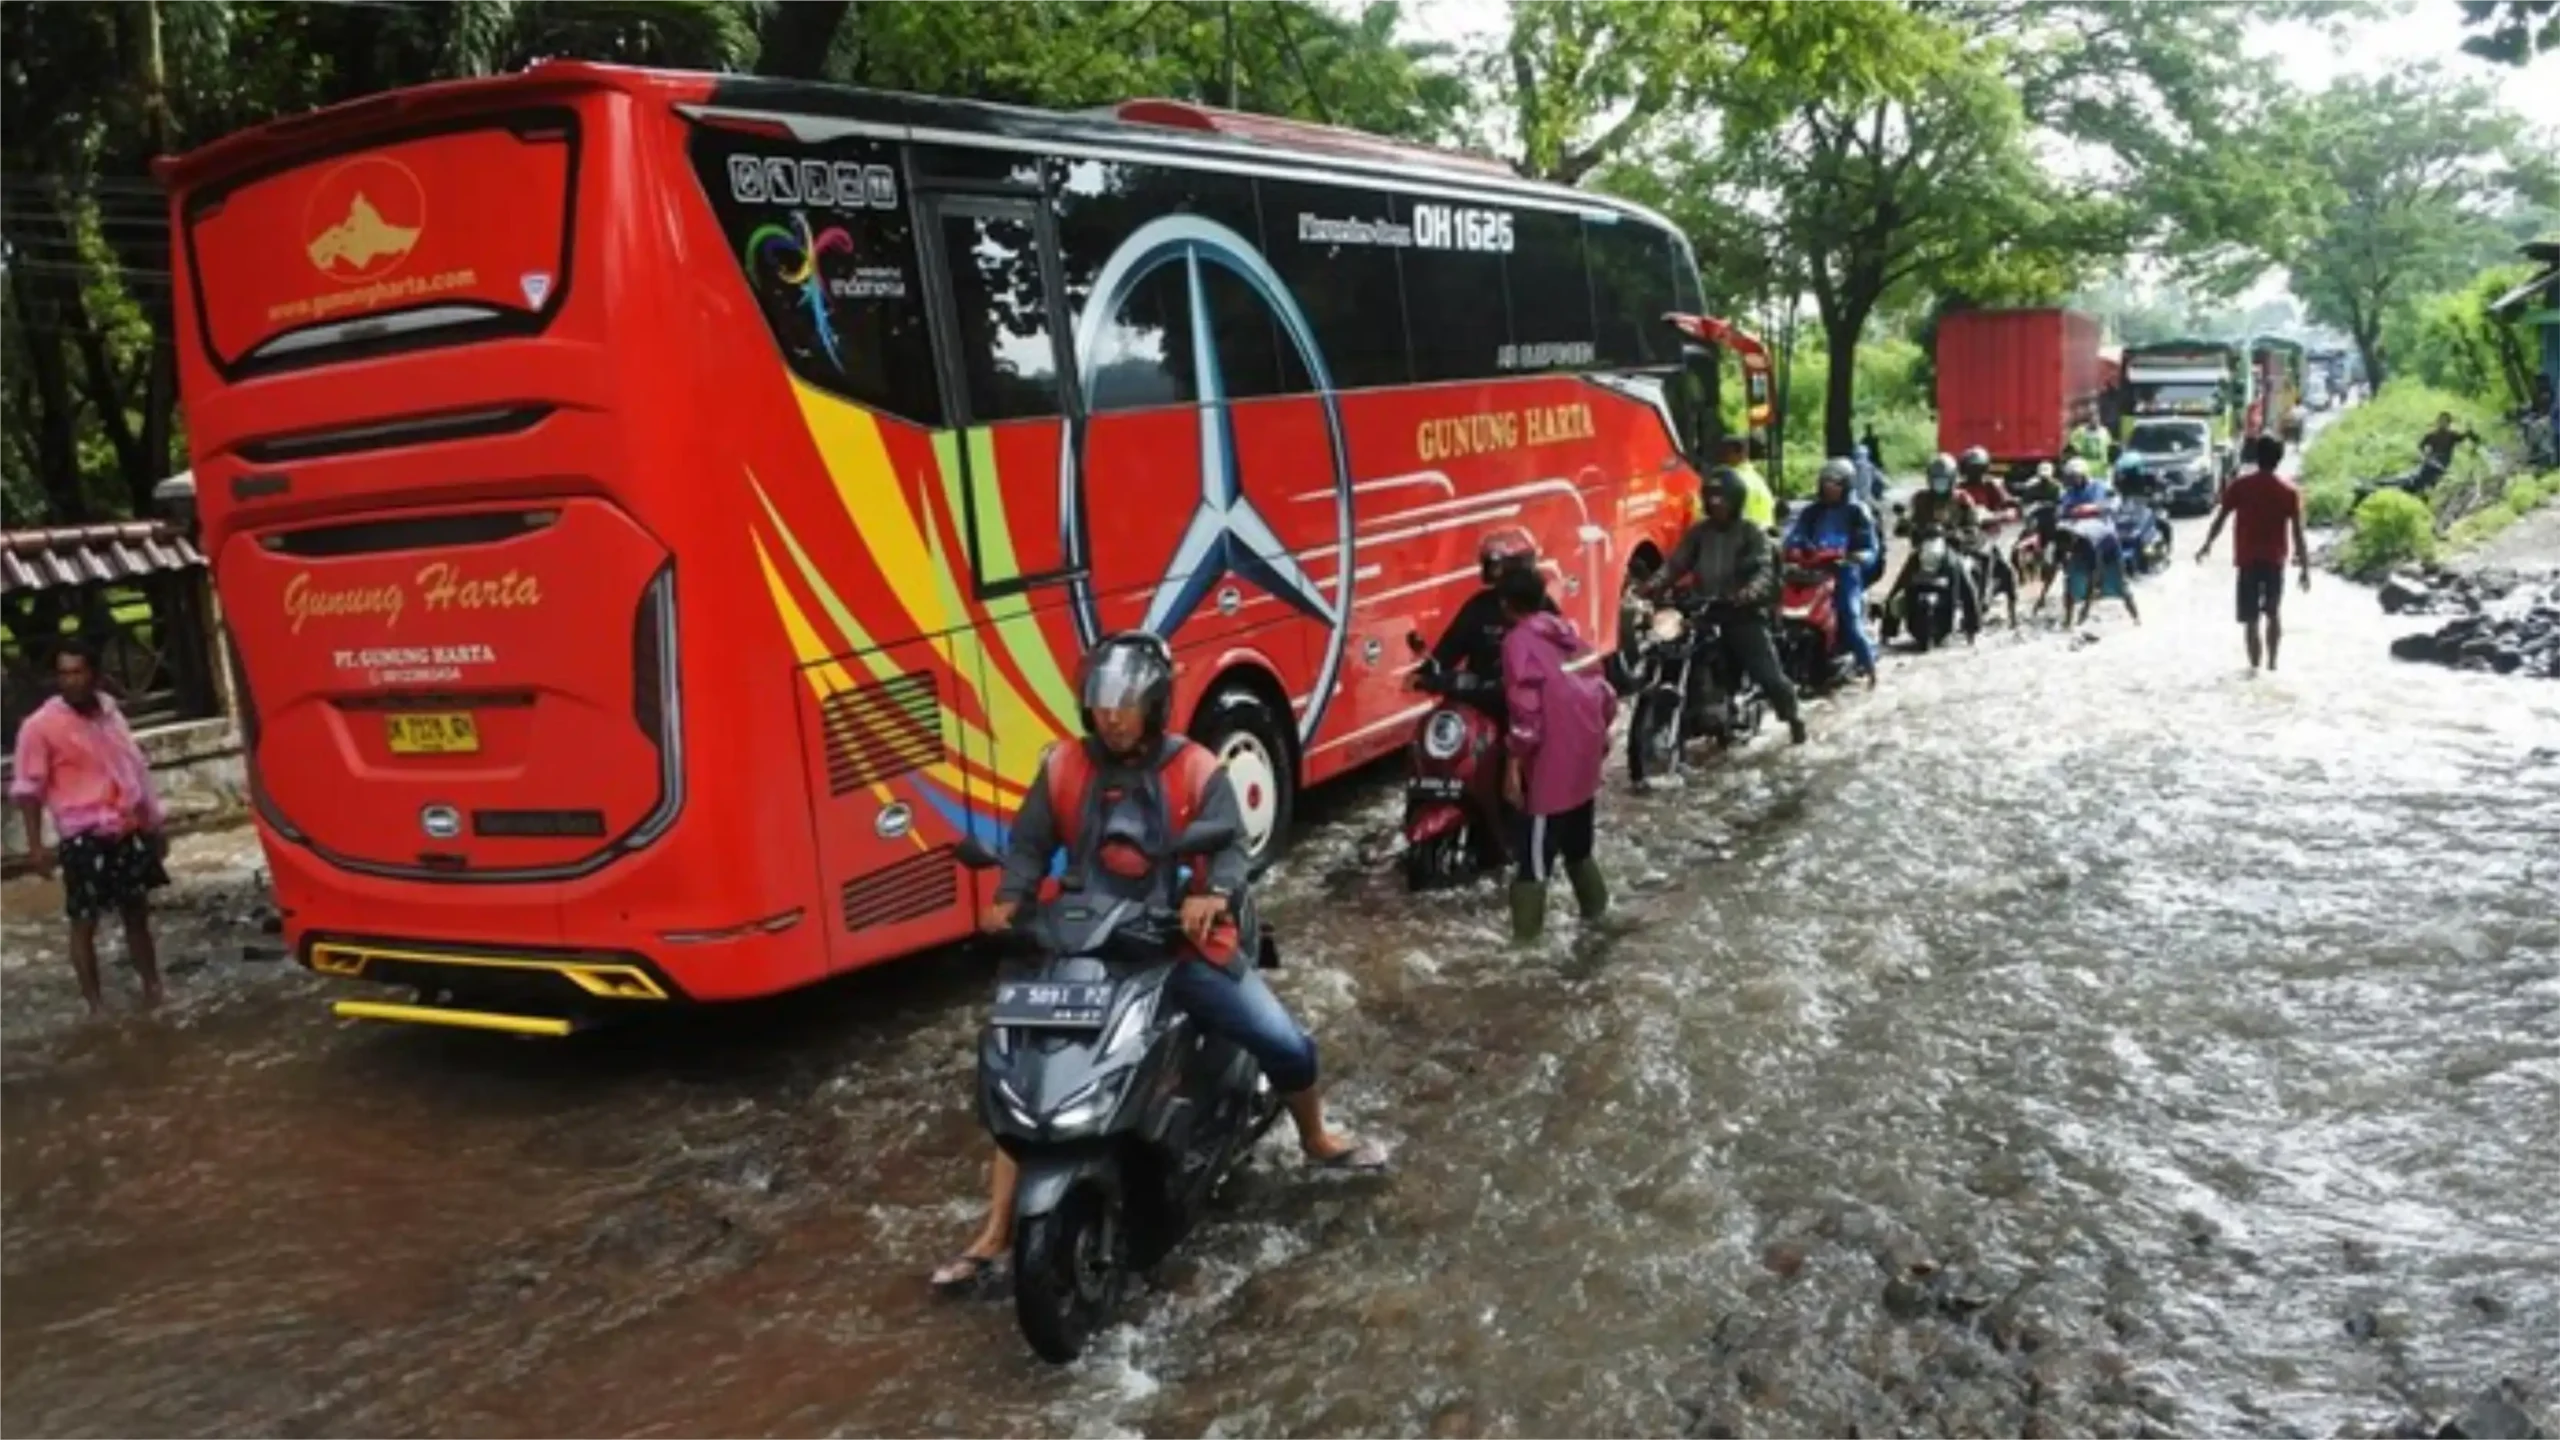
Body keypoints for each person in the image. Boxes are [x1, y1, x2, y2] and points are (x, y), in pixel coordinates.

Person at [931, 632, 1386, 1292]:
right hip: (1083, 940)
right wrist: (1009, 898)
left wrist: (1213, 895)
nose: (1111, 716)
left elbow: (1230, 847)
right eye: (1101, 703)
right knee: (1027, 1063)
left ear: (1154, 704)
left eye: (1125, 703)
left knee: (1281, 1040)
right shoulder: (1062, 765)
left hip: (1176, 939)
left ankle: (1315, 1134)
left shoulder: (1198, 768)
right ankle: (997, 1231)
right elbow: (1029, 845)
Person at [11, 635, 170, 1016]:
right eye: (64, 673)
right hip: (82, 835)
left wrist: (154, 824)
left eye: (78, 672)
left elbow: (135, 769)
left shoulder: (111, 714)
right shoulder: (40, 727)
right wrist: (36, 847)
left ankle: (153, 988)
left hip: (126, 827)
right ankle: (96, 1006)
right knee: (84, 921)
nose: (71, 681)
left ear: (95, 674)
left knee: (137, 914)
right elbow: (28, 789)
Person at [1496, 566, 1615, 943]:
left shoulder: (1517, 642)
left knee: (1533, 861)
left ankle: (1526, 951)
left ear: (1506, 605)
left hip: (1552, 764)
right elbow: (1604, 691)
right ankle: (1599, 922)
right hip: (1585, 753)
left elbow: (1526, 712)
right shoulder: (1567, 631)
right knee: (1578, 848)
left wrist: (1514, 762)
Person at [1659, 467, 1808, 744]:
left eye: (1722, 500)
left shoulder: (1751, 534)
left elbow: (1764, 570)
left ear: (1736, 500)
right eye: (1712, 500)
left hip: (1742, 613)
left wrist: (1748, 592)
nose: (1717, 506)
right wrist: (1649, 587)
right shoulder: (1698, 534)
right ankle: (1697, 704)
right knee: (1668, 649)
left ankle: (1793, 717)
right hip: (1705, 610)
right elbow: (1675, 565)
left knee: (1768, 675)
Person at [2195, 434, 2310, 671]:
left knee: (2250, 620)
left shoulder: (2241, 486)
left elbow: (2221, 519)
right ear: (2279, 459)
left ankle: (2254, 668)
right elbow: (2298, 533)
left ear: (2257, 457)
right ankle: (2272, 665)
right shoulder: (2288, 492)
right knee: (2273, 613)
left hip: (2247, 560)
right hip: (2275, 561)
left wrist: (2207, 545)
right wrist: (2305, 568)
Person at [1426, 532, 1552, 717]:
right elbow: (1450, 647)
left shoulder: (1547, 614)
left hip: (1531, 710)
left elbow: (1565, 661)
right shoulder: (1479, 606)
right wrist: (1427, 673)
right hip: (1484, 706)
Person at [1782, 457, 1881, 687]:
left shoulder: (1858, 511)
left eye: (1836, 482)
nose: (1829, 487)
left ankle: (1869, 666)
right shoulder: (1811, 511)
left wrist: (1856, 556)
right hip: (1812, 572)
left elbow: (1869, 546)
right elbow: (1796, 534)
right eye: (1826, 481)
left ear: (1847, 485)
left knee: (1848, 614)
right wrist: (1795, 547)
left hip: (1844, 572)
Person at [1884, 453, 1984, 642]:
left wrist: (1961, 535)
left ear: (1953, 478)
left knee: (1965, 580)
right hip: (1924, 548)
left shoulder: (1962, 499)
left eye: (1944, 479)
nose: (1940, 484)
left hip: (1951, 549)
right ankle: (1888, 628)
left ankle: (1972, 626)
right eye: (1936, 479)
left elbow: (1973, 526)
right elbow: (1906, 518)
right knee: (1900, 582)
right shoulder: (1920, 499)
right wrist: (1905, 526)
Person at [1954, 446, 2021, 626]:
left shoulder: (1992, 486)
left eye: (1977, 469)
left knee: (2006, 571)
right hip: (1963, 536)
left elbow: (2010, 507)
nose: (1973, 473)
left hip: (1988, 536)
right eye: (1970, 469)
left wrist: (1999, 515)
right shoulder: (1958, 489)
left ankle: (1999, 607)